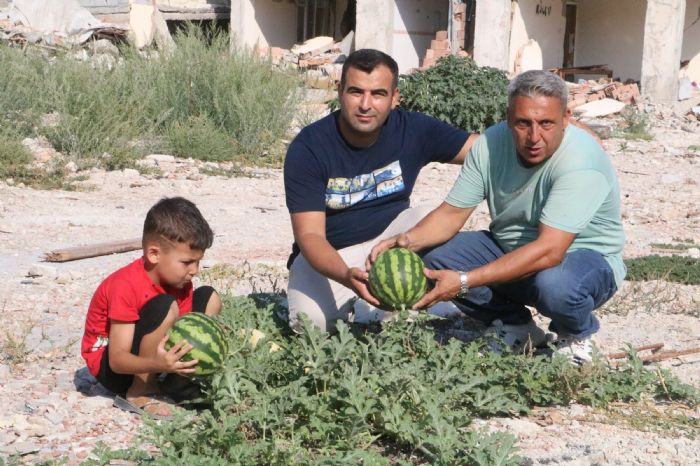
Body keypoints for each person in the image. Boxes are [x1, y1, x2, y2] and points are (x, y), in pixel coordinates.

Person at [369, 70, 625, 365]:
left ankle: (577, 336)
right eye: (522, 123)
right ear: (508, 117)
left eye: (546, 123)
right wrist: (405, 241)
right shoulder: (490, 144)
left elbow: (550, 251)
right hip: (513, 249)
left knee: (556, 286)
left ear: (566, 118)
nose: (534, 137)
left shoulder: (581, 160)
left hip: (582, 260)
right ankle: (517, 326)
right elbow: (451, 214)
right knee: (432, 255)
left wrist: (464, 281)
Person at [283, 48, 479, 333]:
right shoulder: (309, 148)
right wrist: (347, 276)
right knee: (310, 326)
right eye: (355, 92)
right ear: (339, 91)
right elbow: (310, 236)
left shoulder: (413, 130)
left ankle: (394, 303)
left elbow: (485, 151)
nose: (365, 104)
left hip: (391, 241)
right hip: (331, 256)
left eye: (377, 93)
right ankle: (359, 301)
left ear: (395, 98)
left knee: (426, 218)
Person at [80, 196, 222, 419]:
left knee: (209, 296)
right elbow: (117, 360)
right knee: (165, 306)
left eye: (198, 261)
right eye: (187, 262)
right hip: (114, 369)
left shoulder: (180, 282)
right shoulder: (125, 285)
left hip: (155, 359)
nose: (195, 270)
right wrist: (156, 363)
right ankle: (141, 390)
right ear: (154, 254)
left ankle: (180, 382)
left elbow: (184, 329)